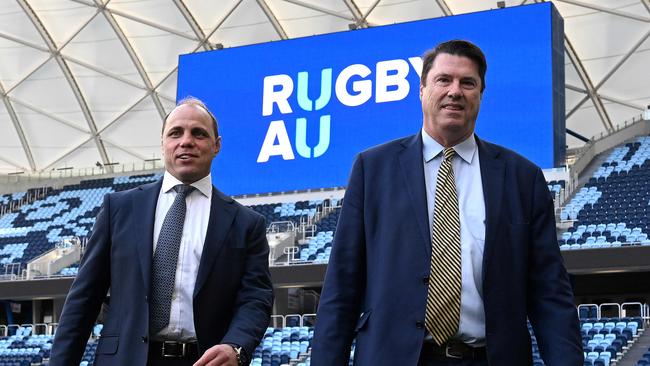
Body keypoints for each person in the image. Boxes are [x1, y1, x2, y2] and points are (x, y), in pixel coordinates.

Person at [310, 40, 582, 365]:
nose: (455, 91)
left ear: (481, 94)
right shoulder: (373, 169)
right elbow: (342, 285)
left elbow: (549, 291)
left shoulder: (522, 177)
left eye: (468, 82)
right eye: (443, 80)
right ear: (422, 89)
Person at [50, 97, 274, 366]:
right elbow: (83, 299)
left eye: (199, 133)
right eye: (176, 133)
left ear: (217, 146)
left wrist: (236, 346)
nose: (186, 141)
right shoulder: (119, 208)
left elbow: (255, 298)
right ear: (163, 143)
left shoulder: (246, 223)